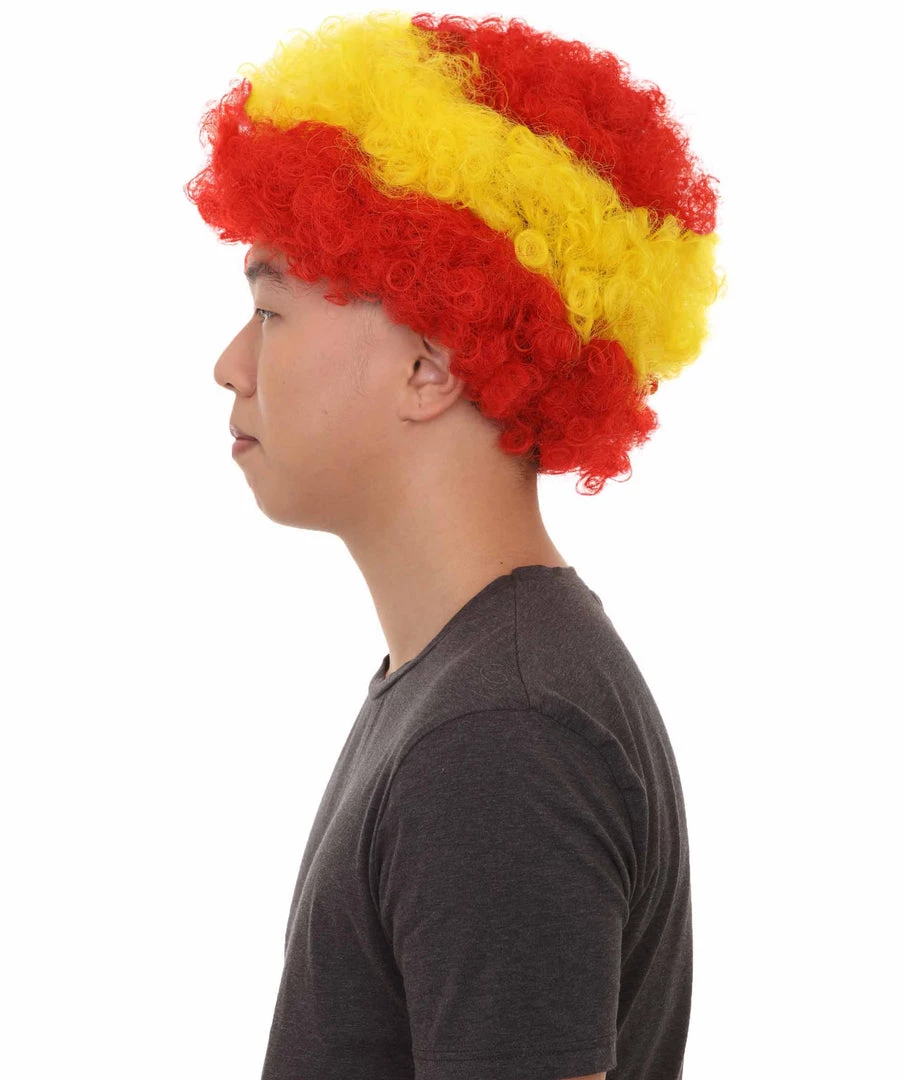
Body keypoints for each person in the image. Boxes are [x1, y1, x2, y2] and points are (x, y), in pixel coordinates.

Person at [186, 12, 725, 1078]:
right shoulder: (470, 688)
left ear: (429, 367)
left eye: (272, 309)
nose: (229, 364)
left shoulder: (498, 737)